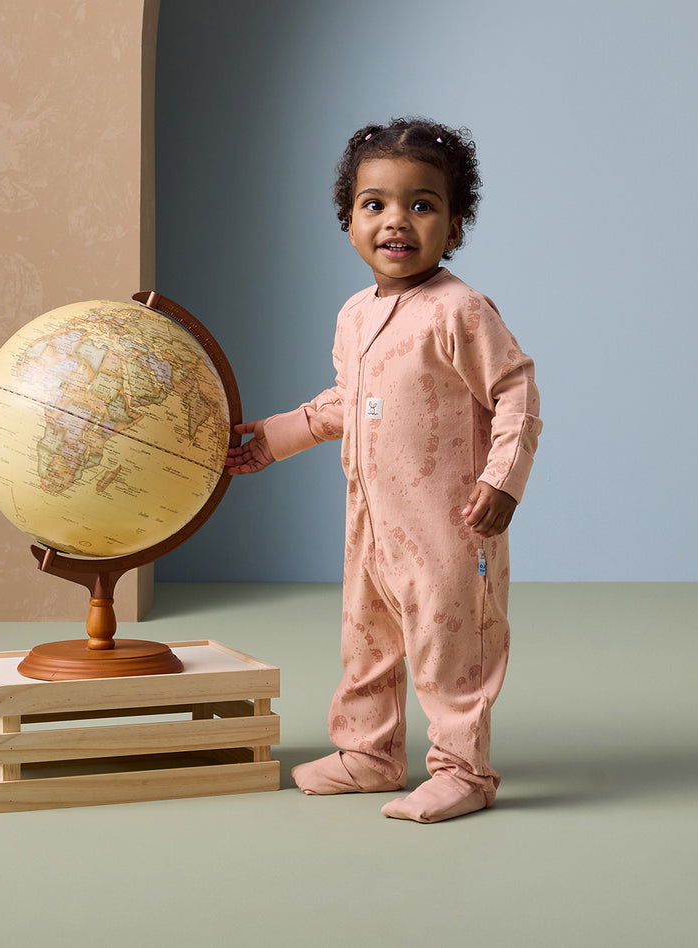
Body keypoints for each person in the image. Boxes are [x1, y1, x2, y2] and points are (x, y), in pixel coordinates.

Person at [226, 117, 542, 823]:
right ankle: (370, 754)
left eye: (422, 204)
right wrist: (274, 437)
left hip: (448, 528)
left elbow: (515, 391)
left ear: (455, 225)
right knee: (365, 641)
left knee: (448, 645)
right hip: (372, 525)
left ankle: (464, 771)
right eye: (375, 204)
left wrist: (503, 479)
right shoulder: (354, 315)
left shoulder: (460, 311)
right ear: (348, 221)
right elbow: (350, 401)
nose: (397, 220)